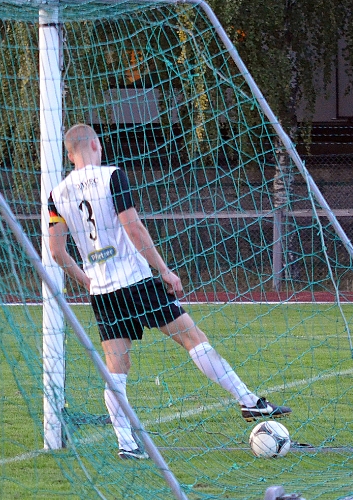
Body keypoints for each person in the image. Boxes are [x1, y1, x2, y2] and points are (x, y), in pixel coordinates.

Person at [47, 124, 291, 460]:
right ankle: (249, 401)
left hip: (103, 293)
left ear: (69, 154)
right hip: (136, 280)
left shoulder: (56, 195)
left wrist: (87, 281)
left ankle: (127, 444)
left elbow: (56, 252)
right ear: (95, 145)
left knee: (116, 367)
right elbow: (133, 226)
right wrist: (163, 269)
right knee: (192, 337)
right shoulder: (112, 176)